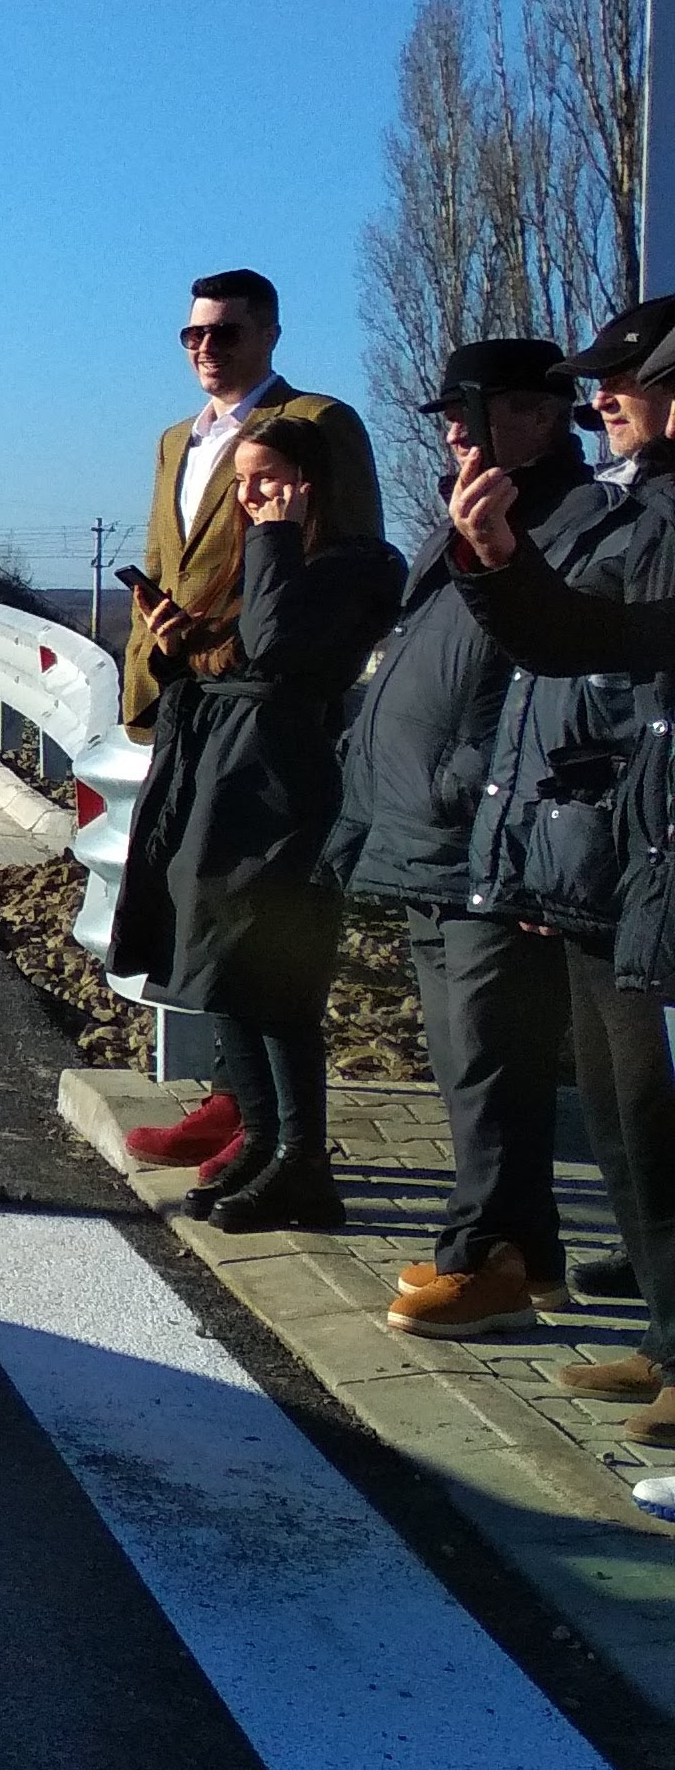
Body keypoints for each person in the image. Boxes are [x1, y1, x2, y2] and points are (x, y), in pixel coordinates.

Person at [318, 340, 592, 1326]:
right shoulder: (471, 514)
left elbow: (557, 687)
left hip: (493, 838)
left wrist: (483, 800)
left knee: (487, 1060)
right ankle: (530, 1255)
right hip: (434, 836)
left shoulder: (567, 520)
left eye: (465, 413)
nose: (445, 430)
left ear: (532, 416)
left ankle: (482, 1260)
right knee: (464, 1056)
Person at [428, 294, 675, 1367]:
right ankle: (667, 1342)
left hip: (645, 856)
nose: (600, 399)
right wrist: (490, 557)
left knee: (655, 1121)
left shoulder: (657, 514)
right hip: (608, 857)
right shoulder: (637, 508)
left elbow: (615, 658)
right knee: (621, 1123)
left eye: (624, 382)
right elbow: (571, 647)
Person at [115, 266, 384, 1173]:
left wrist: (264, 652)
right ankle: (239, 1104)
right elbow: (168, 559)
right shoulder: (174, 441)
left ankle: (260, 1124)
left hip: (269, 703)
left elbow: (339, 558)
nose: (205, 349)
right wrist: (153, 663)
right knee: (191, 902)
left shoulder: (316, 425)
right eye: (192, 334)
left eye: (224, 333)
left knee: (245, 915)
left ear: (268, 333)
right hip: (192, 699)